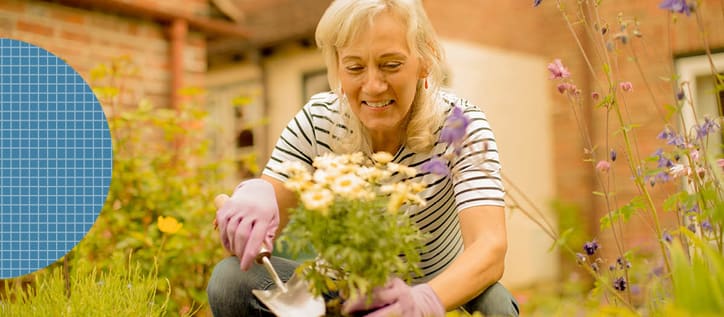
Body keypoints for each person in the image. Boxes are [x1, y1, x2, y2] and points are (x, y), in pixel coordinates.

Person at [207, 0, 519, 316]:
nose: (373, 86)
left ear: (424, 61)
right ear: (337, 68)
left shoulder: (460, 125)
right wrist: (254, 202)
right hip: (344, 286)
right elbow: (265, 225)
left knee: (497, 307)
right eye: (355, 67)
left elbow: (489, 248)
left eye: (391, 64)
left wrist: (424, 302)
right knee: (231, 279)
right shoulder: (318, 122)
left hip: (438, 285)